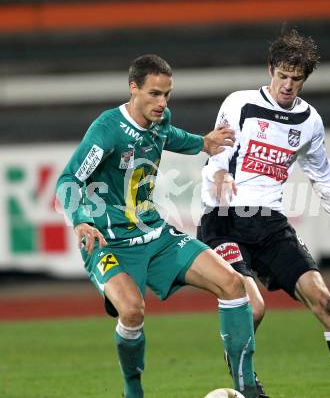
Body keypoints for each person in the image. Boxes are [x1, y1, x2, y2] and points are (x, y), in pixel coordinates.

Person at [55, 54, 260, 398]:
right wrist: (81, 221)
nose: (162, 103)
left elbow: (168, 136)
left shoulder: (160, 119)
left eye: (167, 94)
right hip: (109, 242)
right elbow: (68, 179)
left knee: (232, 283)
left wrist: (202, 143)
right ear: (133, 89)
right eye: (154, 94)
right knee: (133, 311)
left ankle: (249, 389)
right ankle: (133, 391)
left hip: (157, 235)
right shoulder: (107, 130)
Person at [198, 29, 330, 398]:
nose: (287, 85)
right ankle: (247, 387)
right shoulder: (239, 103)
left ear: (304, 79)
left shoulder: (309, 121)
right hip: (224, 220)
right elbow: (216, 152)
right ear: (270, 69)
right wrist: (218, 173)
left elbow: (325, 178)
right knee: (251, 309)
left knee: (326, 302)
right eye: (282, 75)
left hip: (270, 223)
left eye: (296, 79)